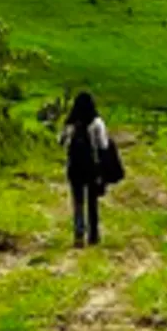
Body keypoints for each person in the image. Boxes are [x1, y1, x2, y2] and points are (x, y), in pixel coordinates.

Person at [59, 90, 110, 247]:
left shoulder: (71, 123)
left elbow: (61, 141)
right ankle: (93, 235)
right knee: (92, 201)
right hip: (91, 167)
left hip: (74, 166)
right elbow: (103, 145)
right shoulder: (96, 122)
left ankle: (79, 234)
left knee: (78, 201)